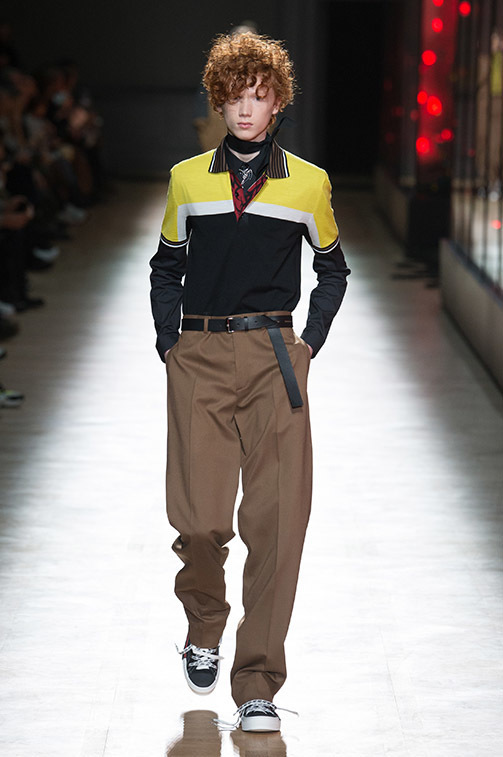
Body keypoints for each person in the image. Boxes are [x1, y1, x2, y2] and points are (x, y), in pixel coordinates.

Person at [149, 31, 350, 733]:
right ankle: (204, 624)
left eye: (258, 96)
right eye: (234, 95)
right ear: (219, 99)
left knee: (277, 524)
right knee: (199, 520)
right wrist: (170, 342)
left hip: (274, 357)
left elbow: (332, 269)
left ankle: (258, 681)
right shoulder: (186, 180)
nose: (244, 108)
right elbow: (166, 265)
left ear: (276, 105)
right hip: (200, 354)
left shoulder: (308, 183)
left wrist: (307, 344)